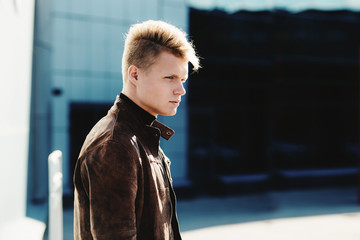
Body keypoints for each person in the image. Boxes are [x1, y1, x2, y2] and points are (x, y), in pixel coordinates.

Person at [73, 20, 200, 240]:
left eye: (182, 80)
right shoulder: (115, 145)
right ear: (135, 75)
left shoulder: (141, 135)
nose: (181, 90)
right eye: (169, 77)